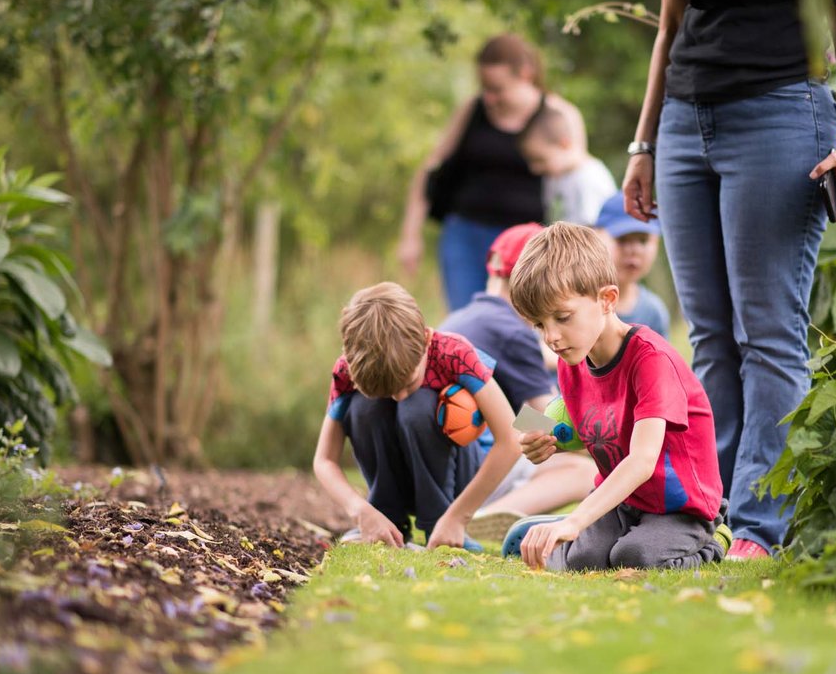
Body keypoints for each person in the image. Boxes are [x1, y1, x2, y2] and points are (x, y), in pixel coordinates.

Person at [622, 0, 836, 559]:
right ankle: (712, 511)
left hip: (780, 114)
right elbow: (668, 28)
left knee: (767, 333)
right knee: (709, 335)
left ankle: (762, 528)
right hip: (683, 122)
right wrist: (643, 145)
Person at [499, 223, 725, 571]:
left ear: (606, 299)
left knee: (632, 558)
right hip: (623, 500)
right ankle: (552, 539)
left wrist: (574, 521)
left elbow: (642, 460)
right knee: (584, 561)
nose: (552, 337)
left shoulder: (651, 359)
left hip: (680, 506)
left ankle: (717, 538)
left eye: (562, 318)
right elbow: (600, 433)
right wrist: (546, 443)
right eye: (540, 325)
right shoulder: (570, 360)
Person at [311, 282, 520, 552]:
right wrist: (361, 511)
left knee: (417, 405)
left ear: (423, 341)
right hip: (400, 477)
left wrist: (458, 517)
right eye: (389, 392)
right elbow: (324, 460)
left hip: (460, 477)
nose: (398, 396)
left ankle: (441, 526)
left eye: (407, 382)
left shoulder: (454, 353)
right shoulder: (346, 370)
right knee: (364, 407)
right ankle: (388, 522)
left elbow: (511, 439)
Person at [398, 33, 587, 312]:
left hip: (527, 244)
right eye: (484, 87)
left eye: (497, 88)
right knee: (468, 321)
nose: (489, 97)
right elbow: (431, 169)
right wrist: (410, 235)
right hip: (466, 235)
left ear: (525, 75)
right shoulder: (472, 110)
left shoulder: (559, 114)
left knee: (521, 321)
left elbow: (578, 169)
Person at [438, 222, 600, 542]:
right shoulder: (513, 331)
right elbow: (552, 423)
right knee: (585, 472)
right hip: (471, 469)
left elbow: (514, 411)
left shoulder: (463, 317)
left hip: (444, 464)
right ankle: (482, 518)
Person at [518, 103, 617, 227]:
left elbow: (593, 230)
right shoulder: (555, 177)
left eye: (540, 160)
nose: (534, 169)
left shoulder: (589, 178)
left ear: (564, 144)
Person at [593, 192, 671, 338]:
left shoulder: (653, 312)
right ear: (596, 236)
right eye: (622, 239)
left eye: (643, 241)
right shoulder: (581, 302)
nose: (634, 250)